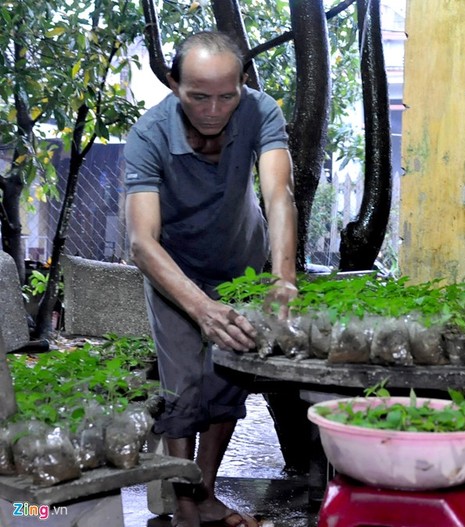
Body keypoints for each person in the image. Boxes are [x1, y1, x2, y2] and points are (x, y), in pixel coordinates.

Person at [124, 31, 297, 527]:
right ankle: (184, 504)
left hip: (241, 265)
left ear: (242, 85)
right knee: (183, 386)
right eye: (199, 95)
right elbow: (141, 241)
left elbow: (278, 194)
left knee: (227, 381)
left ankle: (208, 492)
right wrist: (200, 310)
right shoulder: (149, 135)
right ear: (174, 84)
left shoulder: (261, 112)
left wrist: (282, 277)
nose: (214, 109)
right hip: (174, 270)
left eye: (227, 94)